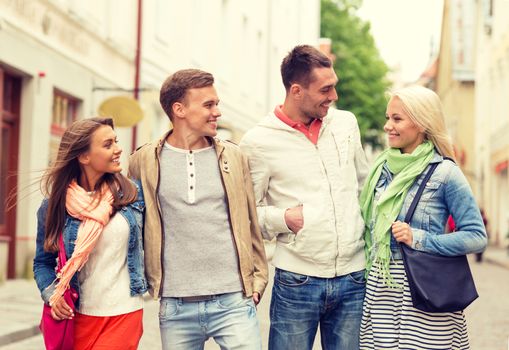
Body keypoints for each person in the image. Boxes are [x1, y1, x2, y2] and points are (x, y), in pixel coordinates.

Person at [240, 45, 369, 350]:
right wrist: (282, 218)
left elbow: (365, 186)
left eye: (334, 85)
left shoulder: (346, 123)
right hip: (298, 280)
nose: (334, 96)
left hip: (354, 277)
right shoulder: (258, 142)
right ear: (296, 91)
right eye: (326, 89)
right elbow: (244, 214)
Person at [128, 68, 268, 350]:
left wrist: (259, 278)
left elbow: (251, 220)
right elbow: (132, 225)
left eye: (216, 104)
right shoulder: (143, 160)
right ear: (179, 109)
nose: (217, 112)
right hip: (176, 305)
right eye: (208, 105)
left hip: (233, 300)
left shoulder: (234, 156)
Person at [358, 85, 487, 349]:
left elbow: (476, 237)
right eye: (387, 118)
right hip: (381, 288)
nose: (387, 126)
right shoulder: (381, 170)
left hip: (422, 290)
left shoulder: (445, 173)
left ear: (421, 124)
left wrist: (419, 238)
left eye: (397, 119)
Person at [33, 117, 147, 350]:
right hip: (77, 315)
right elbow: (42, 262)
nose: (118, 149)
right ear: (84, 157)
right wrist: (52, 294)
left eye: (115, 141)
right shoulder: (54, 206)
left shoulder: (131, 195)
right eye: (108, 145)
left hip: (123, 312)